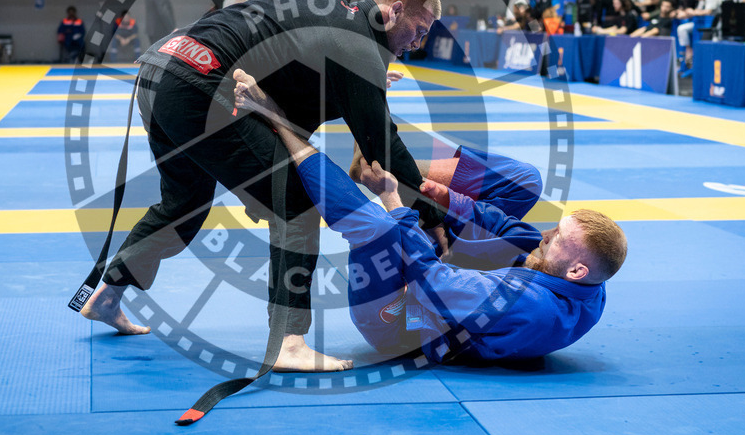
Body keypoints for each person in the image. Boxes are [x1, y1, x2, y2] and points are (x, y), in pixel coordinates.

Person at [79, 0, 443, 373]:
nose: (419, 42)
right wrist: (432, 216)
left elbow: (286, 97)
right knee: (297, 199)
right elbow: (383, 146)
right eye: (419, 29)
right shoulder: (354, 44)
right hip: (198, 82)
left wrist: (366, 87)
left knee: (184, 203)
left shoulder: (324, 9)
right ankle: (289, 343)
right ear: (394, 10)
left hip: (161, 70)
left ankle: (107, 296)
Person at [232, 70, 627, 364]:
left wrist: (394, 201)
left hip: (402, 318)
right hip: (466, 285)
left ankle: (277, 122)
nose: (544, 235)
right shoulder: (589, 279)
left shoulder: (533, 305)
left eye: (555, 239)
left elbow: (433, 279)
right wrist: (445, 200)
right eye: (554, 229)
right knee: (524, 182)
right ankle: (379, 149)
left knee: (380, 228)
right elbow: (514, 233)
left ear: (575, 270)